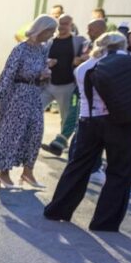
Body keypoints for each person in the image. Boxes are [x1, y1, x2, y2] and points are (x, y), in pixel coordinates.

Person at [43, 32, 131, 232]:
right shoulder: (126, 62)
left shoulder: (83, 68)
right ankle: (105, 222)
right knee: (119, 171)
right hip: (121, 123)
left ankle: (58, 210)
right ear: (121, 46)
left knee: (78, 167)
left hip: (89, 121)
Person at [0, 15, 57, 189]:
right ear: (41, 29)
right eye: (50, 30)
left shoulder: (42, 49)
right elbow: (8, 73)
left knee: (35, 131)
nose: (52, 34)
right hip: (17, 95)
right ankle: (3, 174)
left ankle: (28, 172)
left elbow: (40, 70)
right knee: (12, 133)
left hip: (34, 94)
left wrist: (44, 74)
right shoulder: (20, 49)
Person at [38, 16, 89, 158]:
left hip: (67, 85)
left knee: (67, 117)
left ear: (71, 25)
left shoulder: (78, 41)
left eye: (65, 24)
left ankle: (61, 144)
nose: (62, 26)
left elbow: (87, 54)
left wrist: (80, 59)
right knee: (36, 107)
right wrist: (47, 62)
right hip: (49, 84)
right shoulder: (50, 42)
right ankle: (31, 138)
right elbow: (42, 58)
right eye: (60, 24)